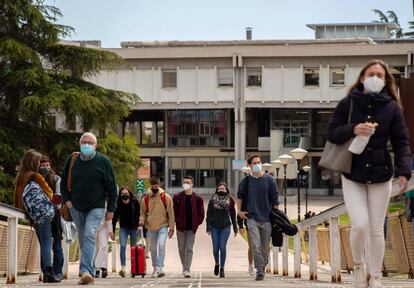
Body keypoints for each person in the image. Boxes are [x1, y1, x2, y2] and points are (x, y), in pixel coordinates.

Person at [327, 59, 412, 288]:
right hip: (352, 173)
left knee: (376, 228)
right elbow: (332, 133)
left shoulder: (392, 108)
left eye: (380, 75)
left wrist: (405, 171)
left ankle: (375, 276)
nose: (375, 77)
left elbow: (401, 142)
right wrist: (353, 129)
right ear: (363, 78)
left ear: (386, 81)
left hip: (381, 174)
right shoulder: (348, 103)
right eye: (371, 73)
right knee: (360, 224)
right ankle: (358, 267)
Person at [61, 132, 117, 285]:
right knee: (84, 239)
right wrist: (67, 202)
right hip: (76, 207)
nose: (86, 145)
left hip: (96, 206)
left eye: (89, 142)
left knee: (89, 234)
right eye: (83, 142)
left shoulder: (103, 161)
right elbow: (63, 183)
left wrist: (111, 208)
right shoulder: (72, 160)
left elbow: (112, 188)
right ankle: (90, 270)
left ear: (95, 146)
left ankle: (85, 271)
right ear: (79, 144)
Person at [13, 150, 60, 283]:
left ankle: (45, 272)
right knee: (46, 242)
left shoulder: (20, 176)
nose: (40, 165)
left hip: (30, 213)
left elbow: (17, 197)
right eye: (39, 162)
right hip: (42, 213)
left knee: (42, 242)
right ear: (33, 162)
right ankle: (49, 273)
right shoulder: (35, 176)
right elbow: (51, 195)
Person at [237, 154, 279, 281]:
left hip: (267, 218)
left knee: (265, 247)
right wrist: (239, 211)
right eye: (254, 163)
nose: (257, 165)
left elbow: (275, 201)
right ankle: (260, 271)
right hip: (252, 218)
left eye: (259, 162)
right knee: (255, 245)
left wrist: (276, 219)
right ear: (249, 166)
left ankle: (262, 267)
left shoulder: (270, 180)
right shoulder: (246, 182)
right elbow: (239, 197)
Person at [139, 176, 175, 278]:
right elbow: (142, 213)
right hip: (150, 227)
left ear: (159, 185)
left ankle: (160, 267)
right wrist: (141, 220)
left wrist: (172, 228)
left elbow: (171, 213)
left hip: (163, 226)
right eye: (153, 186)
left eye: (156, 186)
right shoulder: (145, 199)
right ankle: (155, 268)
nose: (154, 188)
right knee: (153, 249)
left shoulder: (166, 197)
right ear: (150, 187)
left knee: (161, 245)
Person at [173, 176, 205, 278]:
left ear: (192, 184)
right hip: (180, 228)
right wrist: (176, 222)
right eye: (184, 182)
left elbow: (201, 213)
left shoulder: (197, 198)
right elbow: (174, 211)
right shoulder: (177, 197)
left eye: (188, 182)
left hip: (192, 228)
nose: (186, 184)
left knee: (189, 249)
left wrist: (197, 223)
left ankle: (187, 269)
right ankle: (184, 265)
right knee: (181, 249)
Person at [39, 155, 64, 281]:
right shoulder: (35, 180)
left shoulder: (55, 179)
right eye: (43, 165)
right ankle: (46, 272)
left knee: (57, 244)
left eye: (47, 165)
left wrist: (45, 203)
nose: (45, 167)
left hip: (54, 215)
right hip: (40, 216)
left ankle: (58, 272)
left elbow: (58, 199)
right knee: (44, 244)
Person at [207, 183, 238, 278]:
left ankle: (222, 269)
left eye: (223, 188)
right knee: (215, 249)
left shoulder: (230, 200)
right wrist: (208, 227)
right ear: (217, 190)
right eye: (219, 188)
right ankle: (217, 263)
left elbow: (233, 215)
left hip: (226, 226)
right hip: (214, 227)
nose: (221, 190)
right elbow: (208, 215)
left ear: (226, 190)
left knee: (222, 246)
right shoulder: (212, 200)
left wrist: (235, 228)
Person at [112, 186, 141, 277]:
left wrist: (139, 225)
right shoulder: (118, 203)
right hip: (123, 228)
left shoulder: (134, 201)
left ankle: (133, 268)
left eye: (126, 193)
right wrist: (112, 231)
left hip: (134, 228)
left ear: (129, 194)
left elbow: (139, 213)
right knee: (123, 246)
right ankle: (123, 267)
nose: (125, 195)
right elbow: (115, 218)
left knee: (133, 248)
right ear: (120, 195)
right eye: (123, 194)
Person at [94, 213, 112, 278]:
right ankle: (96, 269)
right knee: (95, 248)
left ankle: (104, 267)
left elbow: (110, 212)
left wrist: (110, 230)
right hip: (92, 225)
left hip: (104, 226)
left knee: (104, 246)